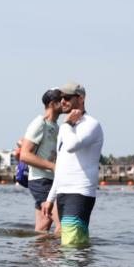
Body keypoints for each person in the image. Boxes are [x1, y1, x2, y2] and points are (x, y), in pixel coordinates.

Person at [41, 82, 103, 247]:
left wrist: (66, 124)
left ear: (81, 98)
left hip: (79, 192)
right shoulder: (66, 127)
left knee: (71, 246)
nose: (63, 101)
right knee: (74, 245)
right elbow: (61, 164)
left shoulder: (90, 124)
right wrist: (50, 198)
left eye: (67, 98)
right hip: (63, 192)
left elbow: (71, 146)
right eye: (61, 98)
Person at [17, 88, 62, 233]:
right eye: (62, 100)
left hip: (51, 180)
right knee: (62, 224)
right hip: (40, 180)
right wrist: (53, 166)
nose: (66, 103)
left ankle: (38, 248)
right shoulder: (39, 123)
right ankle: (61, 249)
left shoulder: (57, 127)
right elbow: (25, 155)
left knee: (43, 225)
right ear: (53, 104)